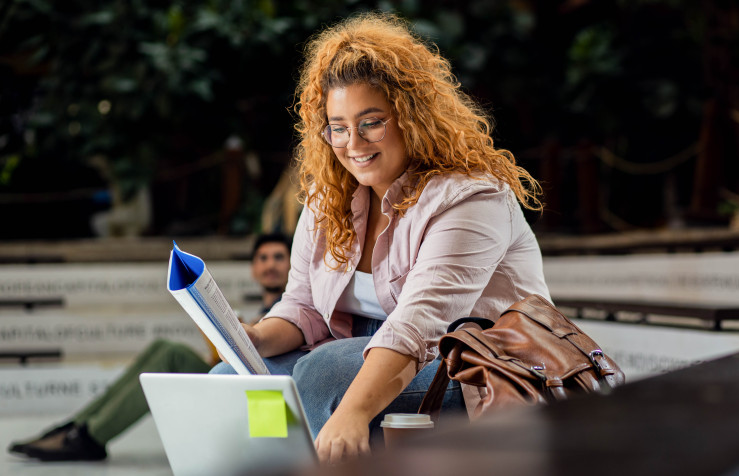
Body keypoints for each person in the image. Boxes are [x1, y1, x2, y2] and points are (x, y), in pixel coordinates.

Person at [209, 12, 551, 465]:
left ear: (411, 115)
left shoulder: (471, 197)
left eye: (371, 121)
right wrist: (251, 338)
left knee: (324, 373)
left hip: (471, 366)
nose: (353, 142)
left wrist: (352, 412)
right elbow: (304, 306)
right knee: (230, 381)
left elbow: (419, 325)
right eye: (338, 126)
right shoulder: (328, 197)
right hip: (361, 354)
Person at [7, 232, 291, 462]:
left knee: (172, 355)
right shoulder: (254, 309)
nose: (270, 265)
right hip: (232, 379)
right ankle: (77, 426)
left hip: (261, 392)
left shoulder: (291, 309)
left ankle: (89, 437)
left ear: (293, 264)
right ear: (253, 269)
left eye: (279, 257)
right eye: (263, 258)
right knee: (161, 348)